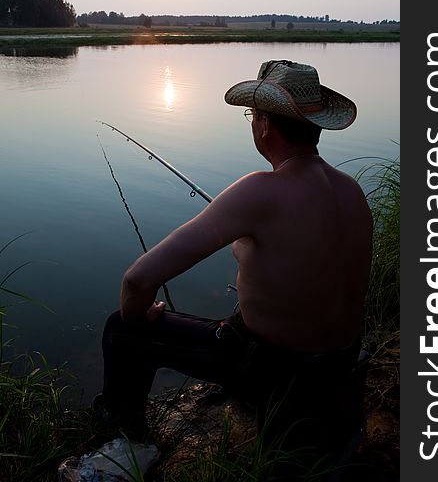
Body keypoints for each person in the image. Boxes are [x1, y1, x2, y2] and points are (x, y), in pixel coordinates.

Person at [94, 60, 373, 468]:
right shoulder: (352, 192)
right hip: (340, 362)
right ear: (314, 123)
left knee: (121, 328)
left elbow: (138, 280)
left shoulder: (259, 191)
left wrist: (141, 315)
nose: (253, 123)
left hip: (275, 369)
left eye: (252, 114)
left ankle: (121, 428)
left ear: (264, 125)